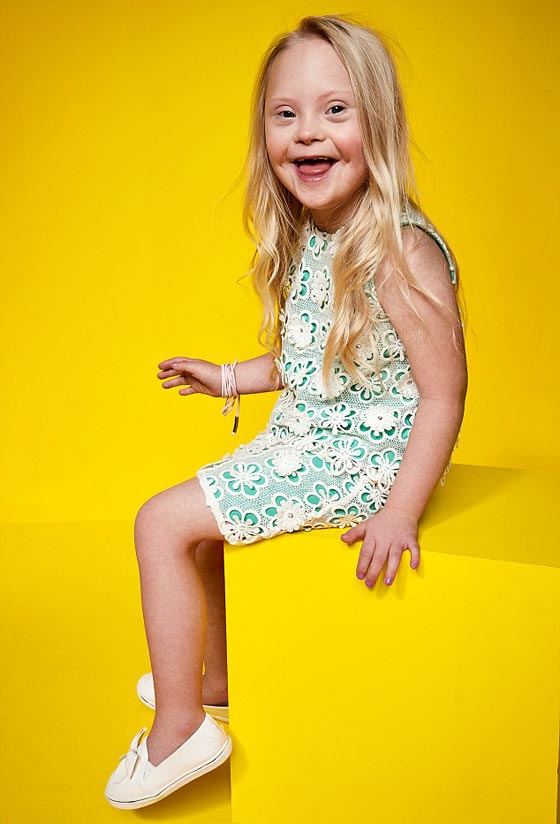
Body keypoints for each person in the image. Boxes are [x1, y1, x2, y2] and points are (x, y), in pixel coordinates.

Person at [104, 13, 468, 810]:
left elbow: (444, 393)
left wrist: (401, 511)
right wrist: (228, 378)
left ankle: (180, 729)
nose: (308, 132)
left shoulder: (398, 251)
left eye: (336, 110)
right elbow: (316, 354)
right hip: (313, 435)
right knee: (201, 533)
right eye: (286, 113)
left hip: (365, 463)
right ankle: (218, 679)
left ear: (379, 124)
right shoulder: (317, 234)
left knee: (160, 522)